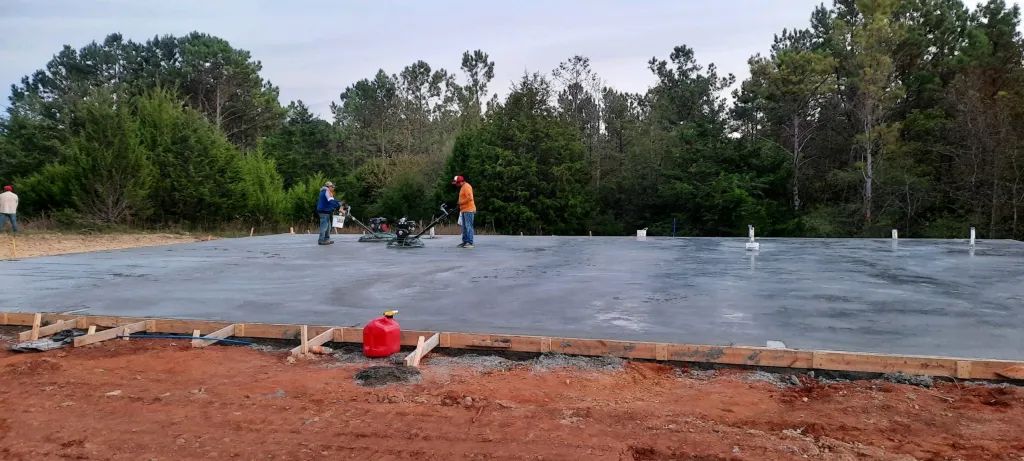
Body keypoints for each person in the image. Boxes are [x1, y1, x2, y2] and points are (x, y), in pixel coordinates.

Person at [451, 175, 476, 248]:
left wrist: (461, 202)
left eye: (457, 183)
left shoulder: (467, 187)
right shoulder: (462, 187)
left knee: (468, 226)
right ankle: (465, 242)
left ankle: (470, 242)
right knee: (464, 227)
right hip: (464, 210)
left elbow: (470, 198)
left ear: (461, 182)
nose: (457, 185)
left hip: (469, 209)